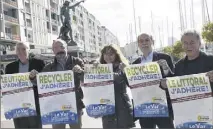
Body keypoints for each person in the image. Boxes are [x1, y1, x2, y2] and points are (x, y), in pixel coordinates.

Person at [29, 39, 85, 129]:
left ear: (67, 48)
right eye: (55, 48)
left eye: (62, 47)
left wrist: (81, 72)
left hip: (75, 104)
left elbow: (86, 79)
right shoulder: (48, 66)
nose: (59, 50)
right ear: (53, 51)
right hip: (56, 107)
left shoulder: (77, 61)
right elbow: (39, 84)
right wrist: (33, 77)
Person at [132, 33, 174, 129]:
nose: (144, 43)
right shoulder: (135, 63)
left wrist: (166, 68)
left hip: (163, 104)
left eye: (147, 40)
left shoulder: (165, 57)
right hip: (144, 106)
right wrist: (125, 72)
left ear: (152, 42)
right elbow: (132, 85)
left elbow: (172, 78)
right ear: (138, 44)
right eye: (141, 41)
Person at [93, 44, 135, 129]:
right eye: (106, 54)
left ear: (116, 55)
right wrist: (89, 70)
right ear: (103, 55)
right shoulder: (98, 67)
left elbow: (128, 82)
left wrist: (126, 71)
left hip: (122, 106)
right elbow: (90, 85)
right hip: (107, 107)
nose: (108, 56)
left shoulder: (122, 66)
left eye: (111, 54)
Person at [5, 42, 45, 128]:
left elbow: (44, 83)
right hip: (18, 106)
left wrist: (36, 78)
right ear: (16, 52)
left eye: (23, 49)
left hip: (35, 105)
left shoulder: (39, 63)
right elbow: (7, 87)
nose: (21, 51)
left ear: (28, 50)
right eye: (18, 49)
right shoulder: (10, 67)